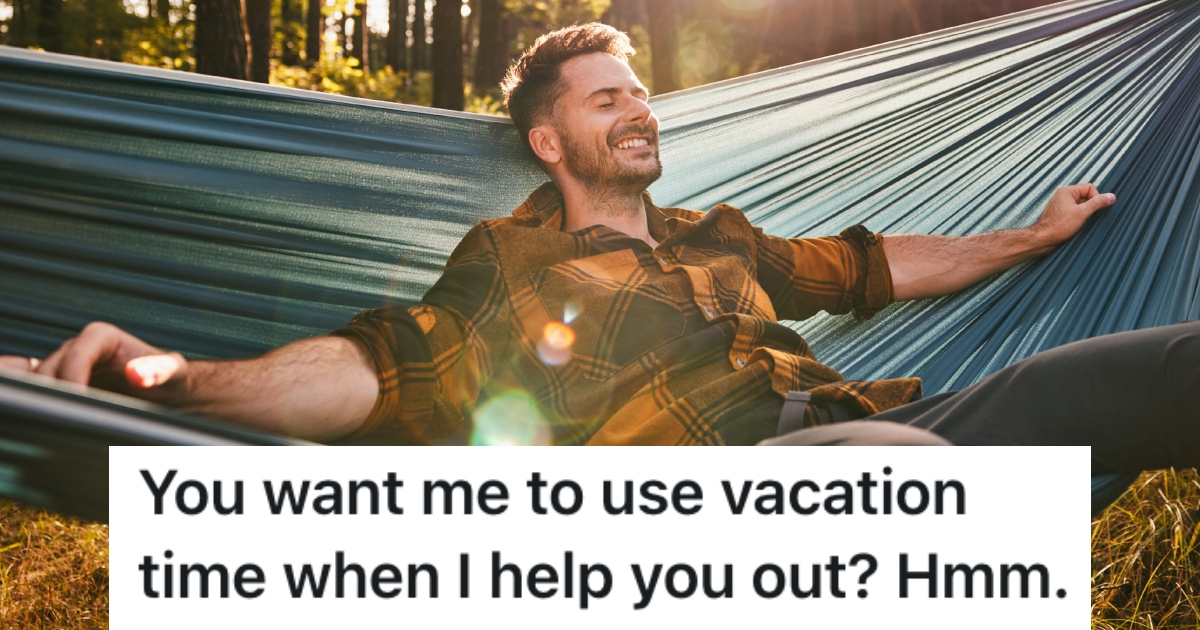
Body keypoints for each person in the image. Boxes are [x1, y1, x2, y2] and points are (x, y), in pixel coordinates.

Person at [1, 25, 1197, 471]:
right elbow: (385, 368)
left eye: (642, 93)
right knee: (895, 467)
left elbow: (875, 267)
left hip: (886, 425)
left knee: (1158, 370)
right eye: (607, 99)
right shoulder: (508, 262)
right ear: (547, 138)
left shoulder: (716, 237)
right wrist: (173, 377)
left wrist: (1032, 236)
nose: (642, 109)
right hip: (710, 490)